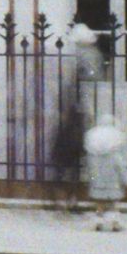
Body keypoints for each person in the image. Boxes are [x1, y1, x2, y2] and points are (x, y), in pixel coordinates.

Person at [48, 23, 104, 210]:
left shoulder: (79, 63)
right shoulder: (81, 63)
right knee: (72, 161)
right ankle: (69, 197)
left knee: (67, 161)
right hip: (75, 119)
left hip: (73, 119)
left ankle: (66, 198)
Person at [85, 113, 127, 232]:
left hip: (98, 184)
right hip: (113, 184)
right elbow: (121, 167)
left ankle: (98, 222)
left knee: (99, 204)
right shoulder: (114, 155)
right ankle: (115, 222)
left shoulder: (93, 154)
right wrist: (125, 180)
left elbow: (90, 169)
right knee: (113, 205)